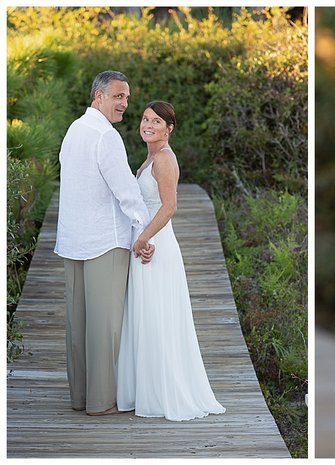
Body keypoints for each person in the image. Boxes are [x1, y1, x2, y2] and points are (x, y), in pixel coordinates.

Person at [115, 101, 226, 421]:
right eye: (145, 119)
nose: (148, 124)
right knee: (145, 315)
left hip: (155, 245)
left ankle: (163, 393)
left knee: (157, 316)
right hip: (146, 241)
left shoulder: (164, 159)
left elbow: (169, 206)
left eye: (156, 121)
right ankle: (144, 389)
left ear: (169, 128)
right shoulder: (150, 156)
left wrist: (144, 238)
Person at [54, 70, 154, 416]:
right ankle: (100, 402)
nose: (125, 103)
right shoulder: (105, 136)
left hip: (72, 239)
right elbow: (125, 190)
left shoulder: (74, 130)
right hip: (104, 241)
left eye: (126, 97)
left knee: (78, 325)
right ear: (99, 97)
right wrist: (145, 230)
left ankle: (80, 397)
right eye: (118, 96)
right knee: (105, 326)